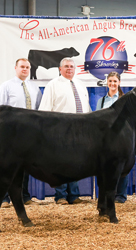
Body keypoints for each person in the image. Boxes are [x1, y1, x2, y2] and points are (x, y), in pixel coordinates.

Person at [39, 57, 90, 205]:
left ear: (75, 69)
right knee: (60, 163)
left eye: (72, 67)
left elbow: (86, 108)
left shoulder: (81, 85)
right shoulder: (52, 85)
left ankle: (74, 195)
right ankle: (60, 196)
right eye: (66, 66)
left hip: (79, 130)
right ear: (60, 69)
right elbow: (45, 109)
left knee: (75, 164)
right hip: (59, 130)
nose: (69, 69)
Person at [0, 58, 42, 208]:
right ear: (15, 68)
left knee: (26, 165)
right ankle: (4, 197)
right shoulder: (6, 86)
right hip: (11, 132)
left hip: (29, 132)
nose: (25, 69)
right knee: (7, 165)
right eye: (22, 67)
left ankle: (23, 195)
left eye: (27, 67)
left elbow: (39, 110)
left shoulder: (34, 88)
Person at [96, 71, 128, 204]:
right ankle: (106, 195)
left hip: (120, 138)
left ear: (119, 82)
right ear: (107, 83)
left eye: (115, 81)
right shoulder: (101, 101)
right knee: (105, 168)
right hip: (105, 139)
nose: (112, 84)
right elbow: (96, 119)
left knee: (121, 167)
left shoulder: (124, 100)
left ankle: (121, 195)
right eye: (110, 81)